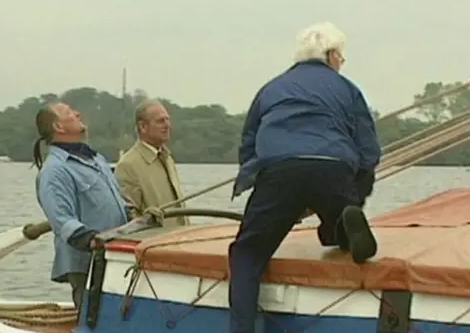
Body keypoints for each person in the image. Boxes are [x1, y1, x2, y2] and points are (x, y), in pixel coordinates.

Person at [228, 22, 382, 333]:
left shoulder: (272, 88)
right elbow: (369, 152)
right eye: (341, 57)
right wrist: (358, 192)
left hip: (280, 169)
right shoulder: (347, 89)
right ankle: (342, 223)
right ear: (332, 55)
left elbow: (248, 147)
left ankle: (241, 329)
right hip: (334, 168)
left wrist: (266, 190)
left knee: (247, 253)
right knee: (339, 218)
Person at [33, 102, 129, 308]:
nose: (77, 113)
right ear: (58, 127)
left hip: (119, 258)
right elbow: (61, 220)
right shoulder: (54, 171)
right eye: (69, 112)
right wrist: (91, 239)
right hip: (88, 265)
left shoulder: (98, 160)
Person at [114, 99, 190, 227]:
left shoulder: (167, 158)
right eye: (160, 121)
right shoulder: (127, 165)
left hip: (179, 240)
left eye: (168, 120)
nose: (167, 125)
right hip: (155, 243)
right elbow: (127, 217)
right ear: (142, 127)